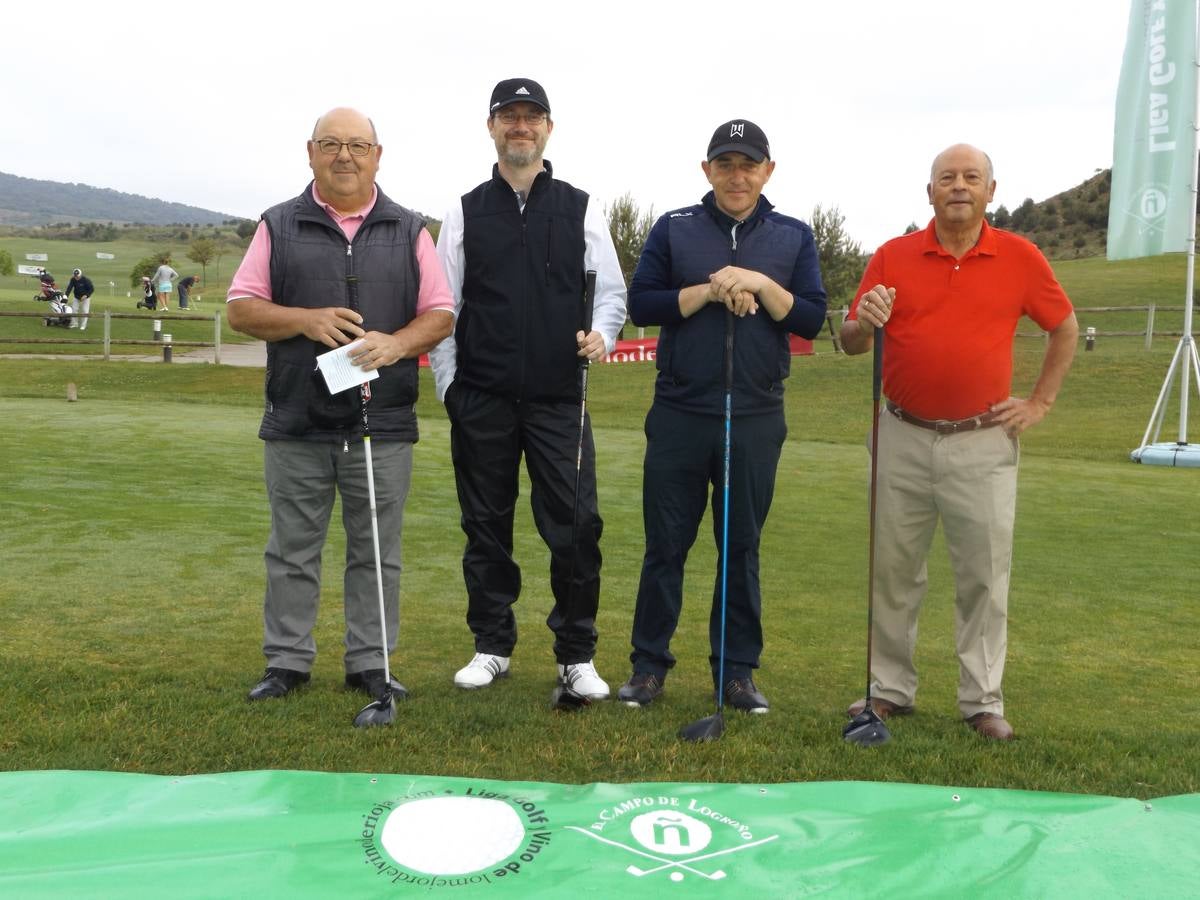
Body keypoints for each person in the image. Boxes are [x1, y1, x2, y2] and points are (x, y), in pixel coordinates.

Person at [840, 143, 1078, 741]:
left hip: (982, 440)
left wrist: (1040, 401)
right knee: (894, 571)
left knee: (983, 575)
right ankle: (889, 689)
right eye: (947, 177)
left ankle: (982, 700)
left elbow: (1064, 327)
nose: (959, 186)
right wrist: (863, 320)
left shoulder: (1020, 257)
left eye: (972, 177)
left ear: (991, 191)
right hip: (901, 435)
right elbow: (849, 340)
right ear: (929, 192)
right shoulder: (892, 256)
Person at [227, 107, 455, 704]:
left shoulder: (410, 229)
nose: (344, 155)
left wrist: (399, 343)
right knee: (291, 550)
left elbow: (441, 313)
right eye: (331, 144)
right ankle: (287, 663)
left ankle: (371, 664)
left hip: (383, 421)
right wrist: (305, 319)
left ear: (378, 155)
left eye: (357, 145)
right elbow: (242, 308)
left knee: (376, 552)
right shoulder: (277, 224)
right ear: (310, 152)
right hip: (297, 418)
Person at [616, 119, 827, 713]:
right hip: (683, 411)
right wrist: (711, 289)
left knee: (740, 547)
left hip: (757, 413)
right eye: (726, 164)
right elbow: (644, 303)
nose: (738, 175)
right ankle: (648, 667)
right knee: (666, 546)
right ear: (706, 169)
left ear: (768, 171)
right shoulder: (675, 228)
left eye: (749, 164)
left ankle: (736, 673)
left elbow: (809, 318)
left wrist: (758, 282)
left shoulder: (791, 236)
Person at [429, 78, 627, 700]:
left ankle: (576, 654)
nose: (521, 127)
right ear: (492, 127)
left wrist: (601, 336)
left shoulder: (580, 206)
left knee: (575, 526)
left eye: (531, 117)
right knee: (486, 525)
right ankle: (491, 644)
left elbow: (612, 293)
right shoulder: (464, 210)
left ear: (548, 128)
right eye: (509, 117)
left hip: (558, 397)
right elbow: (443, 305)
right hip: (482, 396)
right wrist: (450, 389)